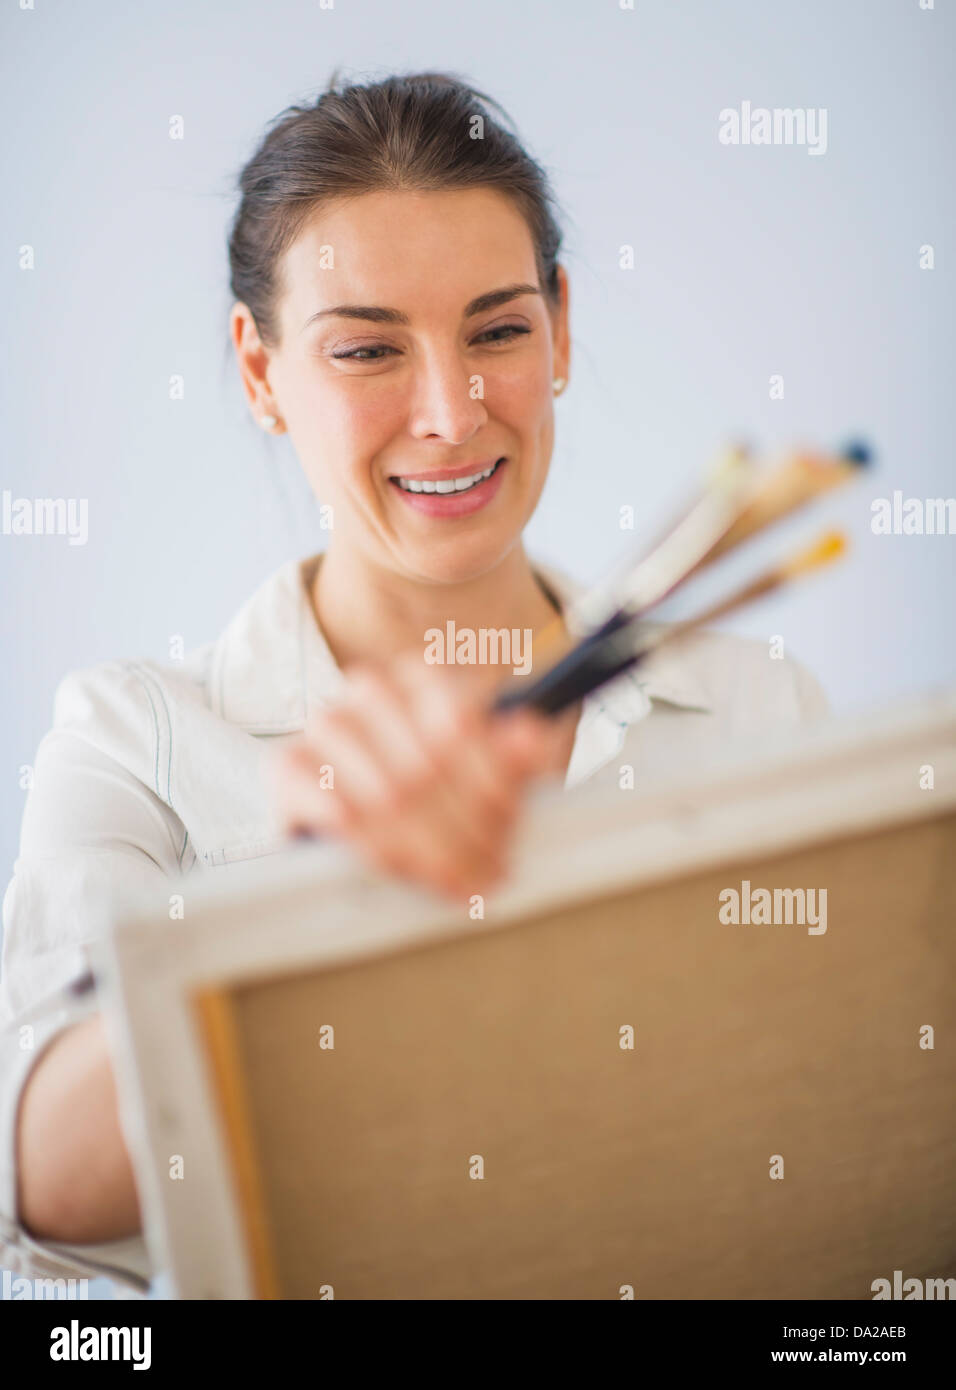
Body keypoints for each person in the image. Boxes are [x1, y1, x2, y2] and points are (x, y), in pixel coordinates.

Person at [0, 70, 828, 1296]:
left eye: (497, 330)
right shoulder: (134, 739)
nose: (450, 413)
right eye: (366, 349)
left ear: (556, 326)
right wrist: (308, 899)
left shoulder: (760, 710)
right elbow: (44, 1182)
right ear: (259, 369)